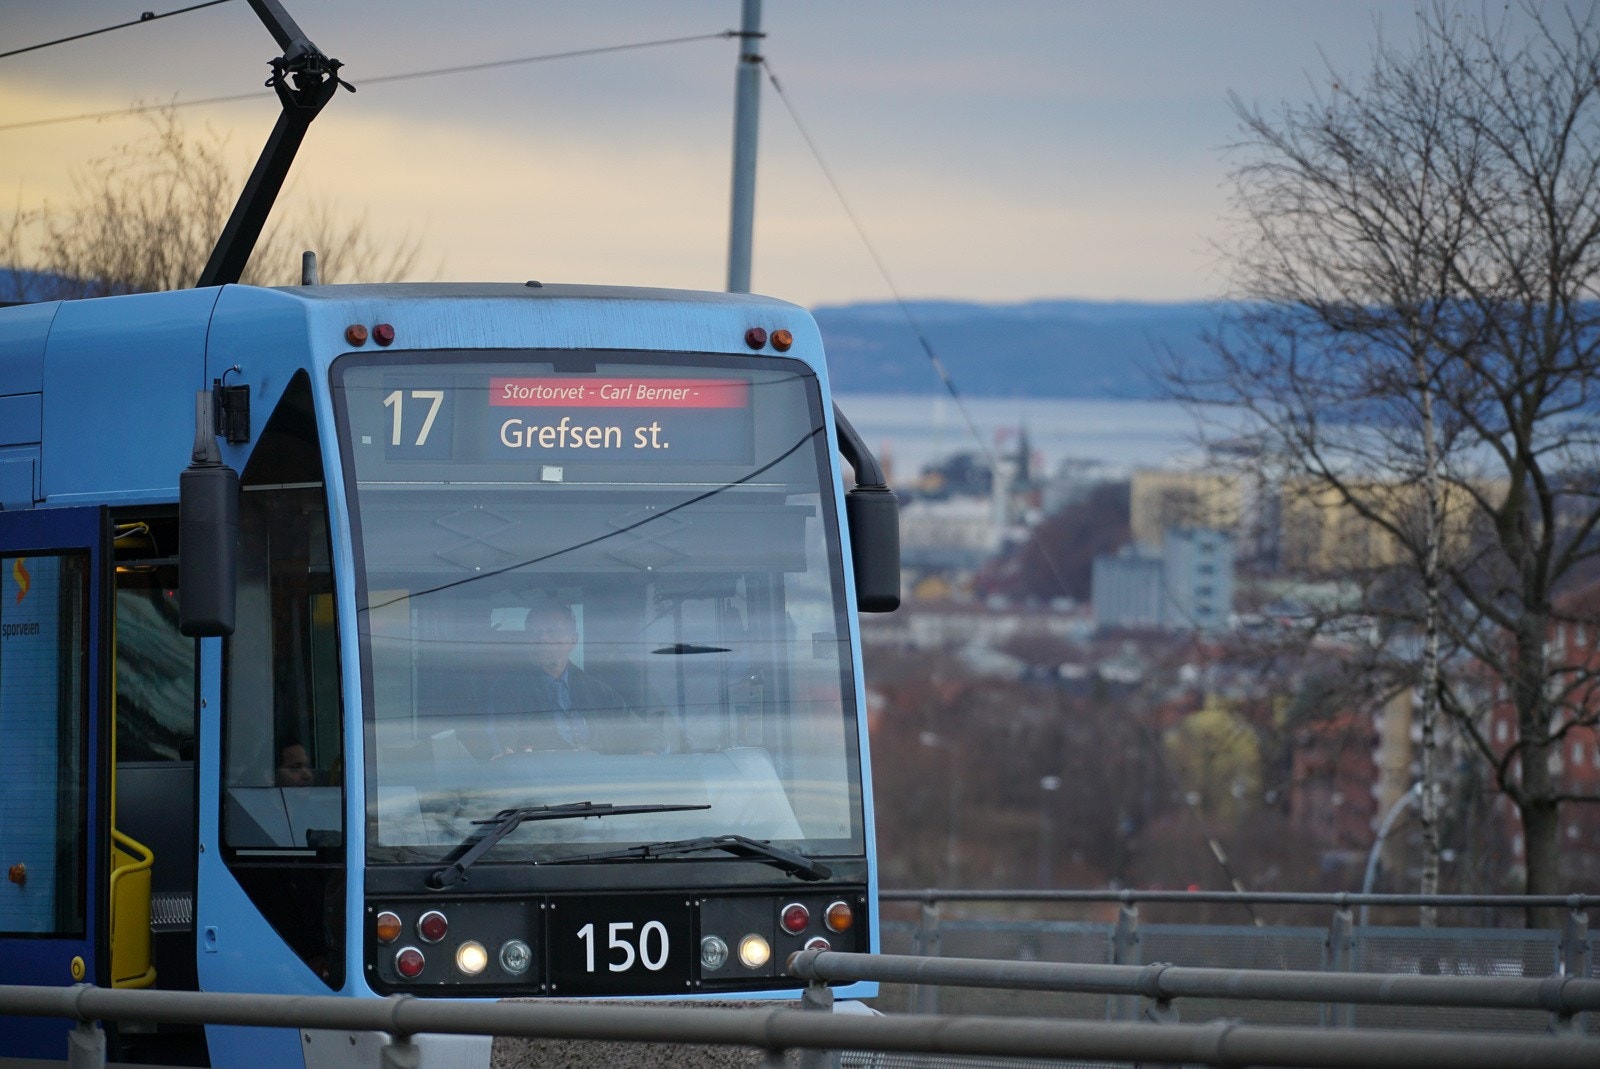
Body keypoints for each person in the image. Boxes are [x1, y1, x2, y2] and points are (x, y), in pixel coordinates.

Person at [486, 599, 666, 757]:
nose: (542, 638)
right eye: (534, 632)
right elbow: (502, 748)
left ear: (573, 641)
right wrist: (507, 754)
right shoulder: (507, 690)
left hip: (600, 789)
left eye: (552, 632)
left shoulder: (597, 690)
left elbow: (651, 736)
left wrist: (647, 756)